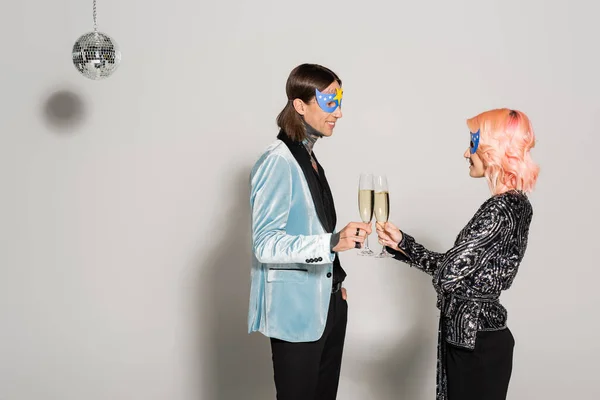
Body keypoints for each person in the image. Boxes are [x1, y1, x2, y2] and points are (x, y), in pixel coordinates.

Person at [376, 108, 540, 400]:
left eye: (474, 144)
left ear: (494, 149)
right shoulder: (518, 204)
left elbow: (449, 273)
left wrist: (407, 247)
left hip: (474, 341)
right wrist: (403, 244)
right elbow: (460, 268)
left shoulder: (500, 209)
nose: (467, 152)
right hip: (480, 337)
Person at [248, 63, 372, 400]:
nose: (340, 112)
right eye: (331, 102)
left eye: (340, 100)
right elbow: (265, 244)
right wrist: (333, 242)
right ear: (300, 105)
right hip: (297, 315)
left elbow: (311, 225)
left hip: (329, 308)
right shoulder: (278, 161)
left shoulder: (310, 159)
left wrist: (336, 288)